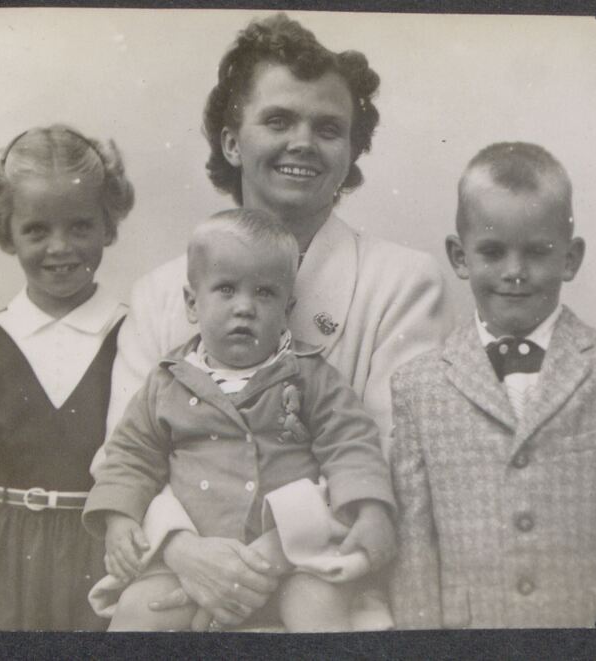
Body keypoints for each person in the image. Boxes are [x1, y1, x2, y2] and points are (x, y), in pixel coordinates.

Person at [96, 13, 452, 629]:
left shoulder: (403, 282)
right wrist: (192, 557)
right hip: (182, 573)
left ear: (351, 153)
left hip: (331, 581)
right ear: (233, 142)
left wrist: (264, 560)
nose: (303, 143)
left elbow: (390, 462)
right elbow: (126, 456)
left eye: (330, 128)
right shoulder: (160, 291)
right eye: (278, 120)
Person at [389, 142, 596, 629]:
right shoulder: (418, 386)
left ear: (571, 258)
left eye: (538, 252)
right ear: (460, 257)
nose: (515, 272)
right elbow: (415, 548)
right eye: (492, 252)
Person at [84, 209, 397, 632]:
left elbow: (351, 442)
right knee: (141, 609)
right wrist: (119, 518)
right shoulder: (168, 381)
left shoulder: (307, 373)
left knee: (318, 605)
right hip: (193, 563)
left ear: (288, 308)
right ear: (193, 303)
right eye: (226, 290)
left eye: (265, 294)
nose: (245, 308)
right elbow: (130, 456)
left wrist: (371, 508)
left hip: (294, 560)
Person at [0, 125, 135, 630]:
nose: (60, 247)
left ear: (107, 224)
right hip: (0, 561)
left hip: (103, 559)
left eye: (80, 226)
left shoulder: (136, 336)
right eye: (37, 230)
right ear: (6, 231)